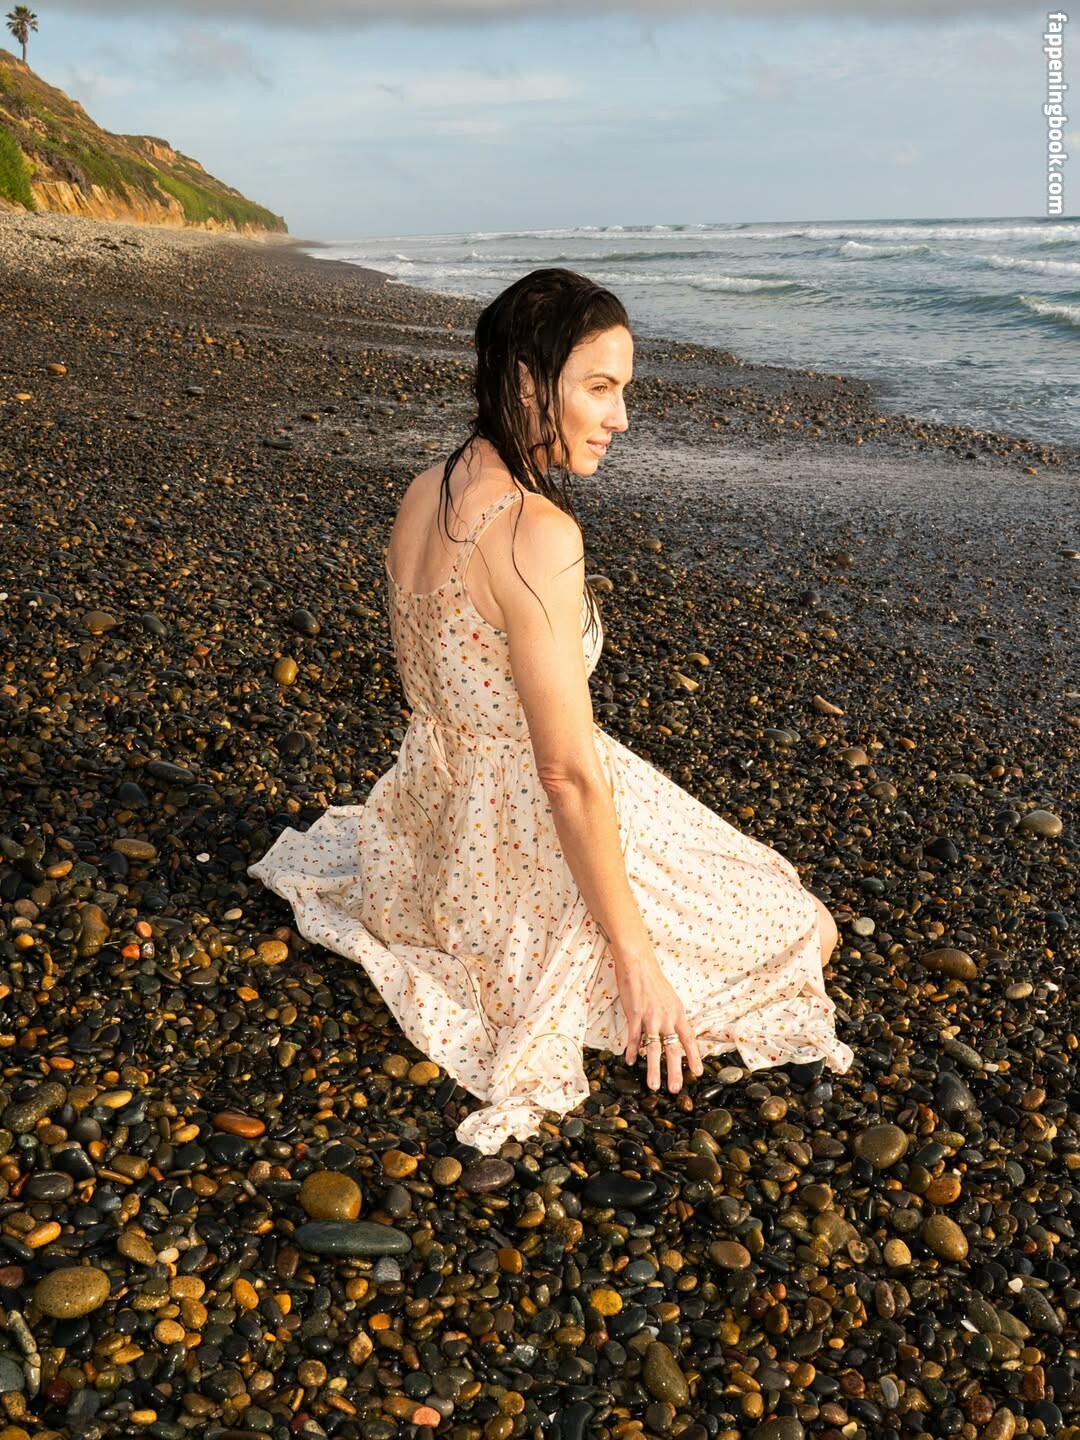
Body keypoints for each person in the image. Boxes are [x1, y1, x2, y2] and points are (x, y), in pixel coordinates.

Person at [247, 267, 854, 1154]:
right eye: (600, 389)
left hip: (428, 825)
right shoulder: (535, 533)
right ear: (529, 382)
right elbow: (566, 774)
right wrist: (636, 963)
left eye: (623, 391)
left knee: (759, 883)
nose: (621, 418)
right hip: (519, 837)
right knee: (804, 930)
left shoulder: (429, 486)